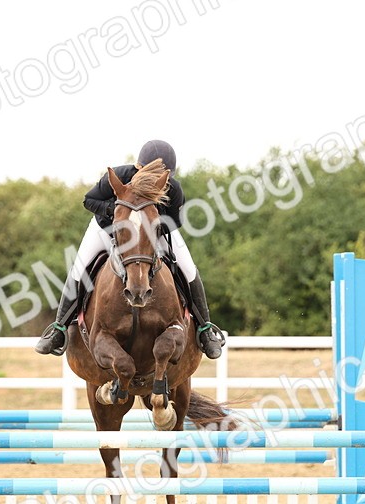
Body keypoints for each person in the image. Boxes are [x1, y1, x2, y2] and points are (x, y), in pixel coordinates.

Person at [34, 139, 226, 358]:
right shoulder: (118, 176)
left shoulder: (173, 187)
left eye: (162, 177)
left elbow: (175, 219)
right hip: (107, 228)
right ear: (138, 167)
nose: (157, 182)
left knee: (188, 268)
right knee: (80, 267)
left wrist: (147, 226)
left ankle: (204, 329)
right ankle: (58, 328)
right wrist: (118, 212)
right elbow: (89, 200)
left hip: (152, 232)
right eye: (150, 174)